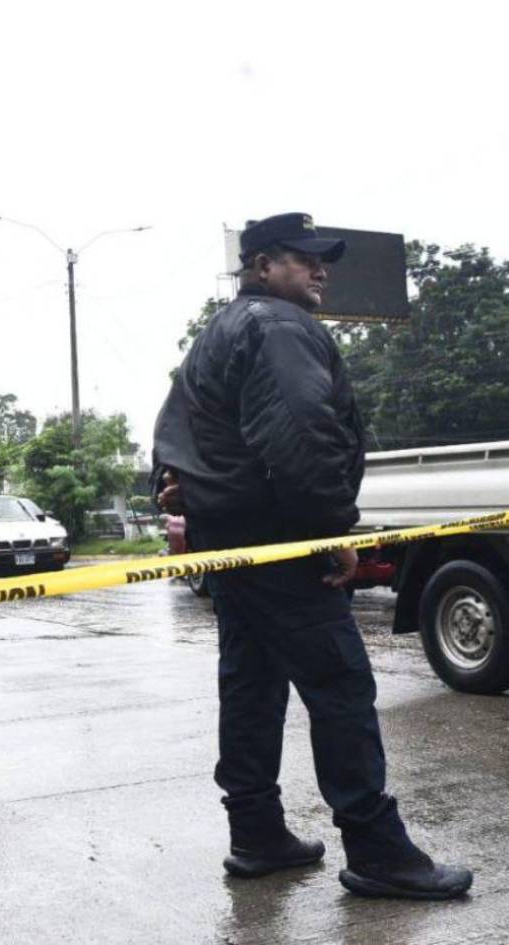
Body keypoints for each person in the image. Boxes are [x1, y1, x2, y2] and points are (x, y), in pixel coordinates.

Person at [153, 213, 472, 900]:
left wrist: (177, 486)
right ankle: (378, 849)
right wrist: (331, 528)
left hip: (229, 541)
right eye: (305, 259)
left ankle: (257, 832)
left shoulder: (220, 329)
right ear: (262, 266)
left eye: (322, 260)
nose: (321, 269)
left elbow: (176, 429)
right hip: (279, 537)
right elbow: (300, 430)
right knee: (341, 684)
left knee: (252, 681)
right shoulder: (279, 326)